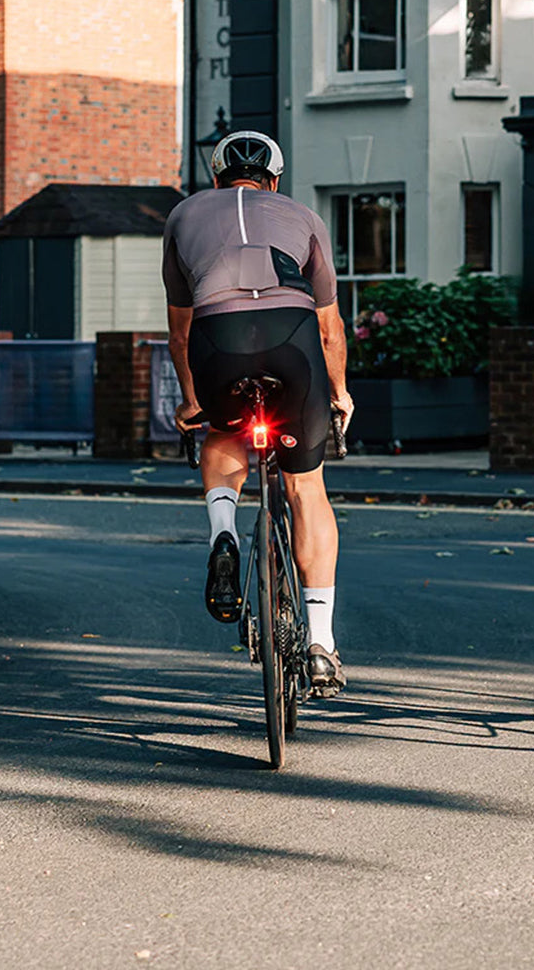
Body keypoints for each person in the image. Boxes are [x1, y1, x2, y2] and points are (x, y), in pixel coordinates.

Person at [162, 130, 354, 697]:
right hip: (292, 338)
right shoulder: (303, 215)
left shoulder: (183, 216)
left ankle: (223, 533)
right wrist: (339, 392)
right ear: (275, 180)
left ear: (215, 177)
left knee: (224, 433)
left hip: (217, 337)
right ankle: (321, 643)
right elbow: (329, 329)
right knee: (306, 489)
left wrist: (193, 401)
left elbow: (180, 332)